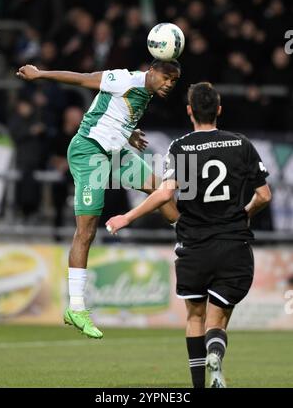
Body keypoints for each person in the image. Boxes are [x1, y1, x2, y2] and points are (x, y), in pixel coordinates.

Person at [106, 82, 272, 388]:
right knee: (218, 320)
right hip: (234, 246)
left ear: (189, 111)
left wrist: (127, 217)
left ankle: (198, 384)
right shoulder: (241, 144)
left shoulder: (181, 147)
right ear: (219, 110)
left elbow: (165, 193)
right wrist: (242, 214)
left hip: (193, 247)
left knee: (195, 317)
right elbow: (263, 196)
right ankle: (215, 354)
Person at [16, 59, 181, 339]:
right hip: (88, 150)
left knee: (163, 189)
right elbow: (82, 78)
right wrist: (40, 74)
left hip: (115, 152)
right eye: (166, 77)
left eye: (173, 82)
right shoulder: (125, 80)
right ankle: (76, 308)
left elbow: (113, 114)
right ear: (152, 71)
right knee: (87, 229)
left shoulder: (147, 92)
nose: (169, 84)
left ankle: (187, 238)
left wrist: (129, 134)